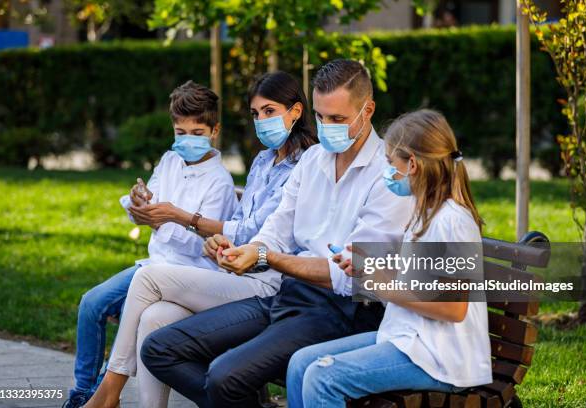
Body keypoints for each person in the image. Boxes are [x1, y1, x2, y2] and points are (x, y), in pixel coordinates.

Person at [140, 59, 414, 408]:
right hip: (288, 295)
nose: (327, 126)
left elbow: (351, 276)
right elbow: (277, 229)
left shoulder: (386, 175)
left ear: (368, 109)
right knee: (161, 348)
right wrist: (247, 249)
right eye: (320, 117)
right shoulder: (312, 160)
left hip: (343, 313)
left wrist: (267, 257)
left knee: (225, 377)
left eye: (338, 119)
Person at [82, 71, 317, 408]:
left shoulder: (306, 164)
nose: (261, 121)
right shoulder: (263, 161)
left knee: (148, 279)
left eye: (270, 111)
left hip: (268, 283)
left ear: (295, 112)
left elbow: (267, 233)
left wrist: (191, 221)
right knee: (153, 317)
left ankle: (109, 391)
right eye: (256, 114)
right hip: (233, 272)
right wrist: (216, 241)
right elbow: (240, 224)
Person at [286, 109, 492, 407]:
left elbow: (453, 307)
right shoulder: (423, 213)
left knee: (322, 377)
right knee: (301, 363)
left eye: (390, 163)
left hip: (440, 356)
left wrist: (380, 285)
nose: (387, 172)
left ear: (412, 164)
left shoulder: (452, 221)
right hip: (408, 339)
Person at [63, 80, 239, 408]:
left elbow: (200, 245)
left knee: (130, 308)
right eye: (180, 132)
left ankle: (103, 397)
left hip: (186, 275)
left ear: (214, 131)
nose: (187, 140)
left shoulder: (220, 183)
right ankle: (83, 394)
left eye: (197, 132)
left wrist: (166, 219)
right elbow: (144, 211)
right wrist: (138, 201)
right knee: (91, 303)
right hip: (152, 265)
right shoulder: (170, 160)